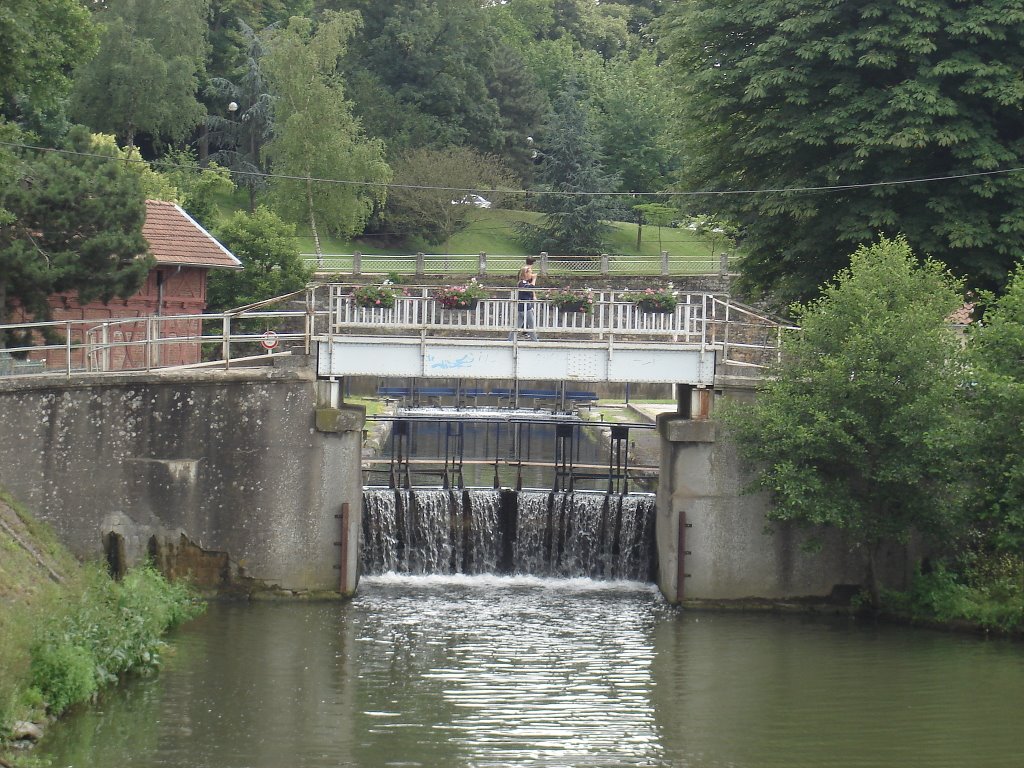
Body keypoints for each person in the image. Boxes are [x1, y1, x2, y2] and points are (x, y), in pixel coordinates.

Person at [509, 257, 539, 341]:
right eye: (530, 273)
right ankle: (535, 342)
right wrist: (534, 279)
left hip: (523, 308)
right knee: (532, 326)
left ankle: (509, 340)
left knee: (517, 326)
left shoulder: (523, 282)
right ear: (525, 274)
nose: (531, 274)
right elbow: (531, 288)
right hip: (526, 308)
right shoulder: (522, 283)